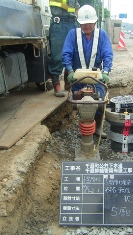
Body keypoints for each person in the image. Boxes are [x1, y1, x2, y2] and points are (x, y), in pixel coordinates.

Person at [61, 4, 113, 138]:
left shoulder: (102, 35)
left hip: (96, 78)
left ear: (95, 22)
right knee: (80, 102)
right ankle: (85, 126)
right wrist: (70, 71)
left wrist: (106, 71)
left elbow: (108, 54)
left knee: (100, 100)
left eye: (89, 23)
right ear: (79, 23)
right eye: (83, 24)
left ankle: (97, 128)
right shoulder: (73, 34)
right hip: (78, 78)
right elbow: (66, 53)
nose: (87, 27)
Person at [48, 0, 80, 97]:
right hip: (59, 23)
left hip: (73, 23)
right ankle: (56, 83)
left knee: (74, 53)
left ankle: (68, 80)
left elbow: (76, 7)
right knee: (57, 55)